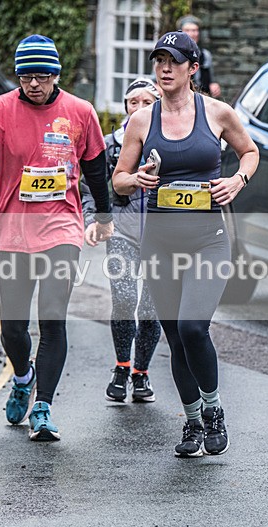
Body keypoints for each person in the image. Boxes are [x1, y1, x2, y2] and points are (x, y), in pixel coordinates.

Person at [112, 32, 258, 457]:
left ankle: (213, 411)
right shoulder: (142, 121)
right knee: (175, 336)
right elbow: (118, 178)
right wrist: (135, 179)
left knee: (194, 327)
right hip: (159, 244)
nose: (164, 68)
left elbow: (250, 152)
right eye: (159, 60)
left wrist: (237, 180)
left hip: (208, 241)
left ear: (193, 68)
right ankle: (192, 422)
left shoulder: (217, 113)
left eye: (174, 61)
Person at [0, 34, 113, 442]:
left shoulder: (80, 112)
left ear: (56, 75)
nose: (33, 84)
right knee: (13, 328)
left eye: (42, 76)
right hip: (12, 229)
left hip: (61, 227)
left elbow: (97, 170)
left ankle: (43, 408)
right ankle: (23, 376)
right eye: (25, 76)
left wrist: (104, 215)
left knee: (52, 316)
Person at [81, 78, 162, 403]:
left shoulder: (171, 141)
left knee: (151, 309)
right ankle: (121, 367)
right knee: (126, 299)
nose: (139, 109)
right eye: (133, 102)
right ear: (125, 105)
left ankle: (141, 373)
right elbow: (91, 186)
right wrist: (94, 220)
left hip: (161, 237)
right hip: (122, 233)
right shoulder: (111, 144)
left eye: (147, 102)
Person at [178, 15, 221, 98]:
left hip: (203, 99)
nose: (191, 34)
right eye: (187, 30)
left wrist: (214, 86)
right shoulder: (172, 54)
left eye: (194, 30)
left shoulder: (206, 55)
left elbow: (211, 81)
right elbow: (156, 80)